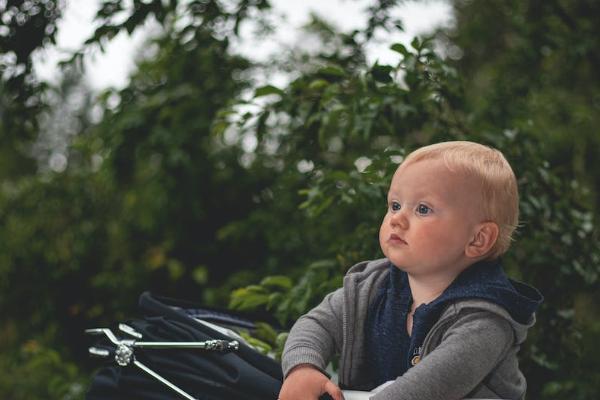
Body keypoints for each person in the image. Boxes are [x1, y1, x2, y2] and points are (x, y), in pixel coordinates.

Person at [278, 141, 543, 400]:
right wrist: (303, 368)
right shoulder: (371, 286)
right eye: (395, 205)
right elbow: (317, 324)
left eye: (423, 209)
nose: (397, 218)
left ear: (477, 239)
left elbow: (428, 387)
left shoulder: (485, 321)